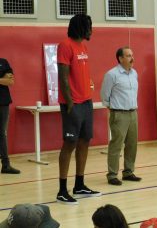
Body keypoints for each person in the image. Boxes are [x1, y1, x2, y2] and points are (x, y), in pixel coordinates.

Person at [56, 14, 101, 204]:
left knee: (84, 142)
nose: (91, 30)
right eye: (88, 26)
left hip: (86, 102)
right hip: (72, 103)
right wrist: (70, 102)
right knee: (69, 144)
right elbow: (63, 77)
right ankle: (62, 190)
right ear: (80, 27)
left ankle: (79, 185)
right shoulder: (65, 45)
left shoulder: (83, 46)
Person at [101, 47, 142, 186]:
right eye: (129, 55)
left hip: (133, 113)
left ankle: (128, 172)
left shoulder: (134, 73)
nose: (132, 58)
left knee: (132, 144)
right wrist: (113, 109)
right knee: (116, 145)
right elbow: (105, 96)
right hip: (119, 114)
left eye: (132, 54)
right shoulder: (112, 74)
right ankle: (112, 175)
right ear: (120, 58)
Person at [0, 58, 20, 174]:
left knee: (2, 133)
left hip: (3, 103)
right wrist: (2, 79)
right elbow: (5, 80)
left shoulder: (3, 62)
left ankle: (6, 165)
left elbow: (10, 81)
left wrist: (4, 80)